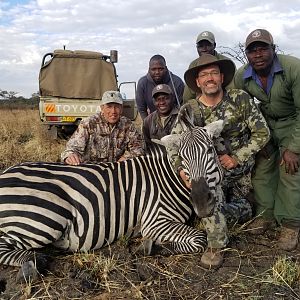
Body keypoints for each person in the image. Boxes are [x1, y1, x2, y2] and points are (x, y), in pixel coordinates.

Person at [167, 54, 270, 268]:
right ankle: (235, 208)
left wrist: (236, 157)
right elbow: (173, 146)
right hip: (204, 172)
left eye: (214, 73)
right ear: (197, 82)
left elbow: (262, 133)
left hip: (237, 170)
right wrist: (180, 171)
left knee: (207, 200)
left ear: (222, 77)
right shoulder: (188, 110)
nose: (209, 78)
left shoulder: (240, 99)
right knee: (203, 188)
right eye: (203, 75)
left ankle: (216, 244)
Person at [234, 29, 300, 251]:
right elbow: (241, 108)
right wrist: (257, 138)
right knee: (261, 169)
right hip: (266, 124)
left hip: (293, 122)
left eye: (263, 48)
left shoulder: (293, 68)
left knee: (290, 169)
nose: (258, 54)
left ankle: (290, 224)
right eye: (252, 51)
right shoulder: (242, 75)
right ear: (247, 55)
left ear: (274, 49)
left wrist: (293, 147)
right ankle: (266, 215)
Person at [61, 90, 144, 165]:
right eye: (109, 106)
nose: (113, 111)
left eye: (117, 107)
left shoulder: (128, 125)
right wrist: (70, 156)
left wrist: (125, 159)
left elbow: (139, 148)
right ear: (102, 108)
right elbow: (72, 148)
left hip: (116, 171)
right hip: (92, 171)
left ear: (121, 108)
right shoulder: (89, 123)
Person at [183, 31, 236, 103]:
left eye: (207, 45)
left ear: (214, 45)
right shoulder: (193, 64)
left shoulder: (226, 62)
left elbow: (233, 88)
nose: (204, 49)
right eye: (200, 46)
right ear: (197, 48)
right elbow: (188, 96)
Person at [136, 54, 184, 120]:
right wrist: (148, 125)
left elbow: (181, 106)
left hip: (174, 119)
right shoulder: (142, 83)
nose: (157, 72)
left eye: (160, 69)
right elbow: (141, 109)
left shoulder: (177, 82)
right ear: (149, 69)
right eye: (153, 69)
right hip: (153, 121)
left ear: (166, 68)